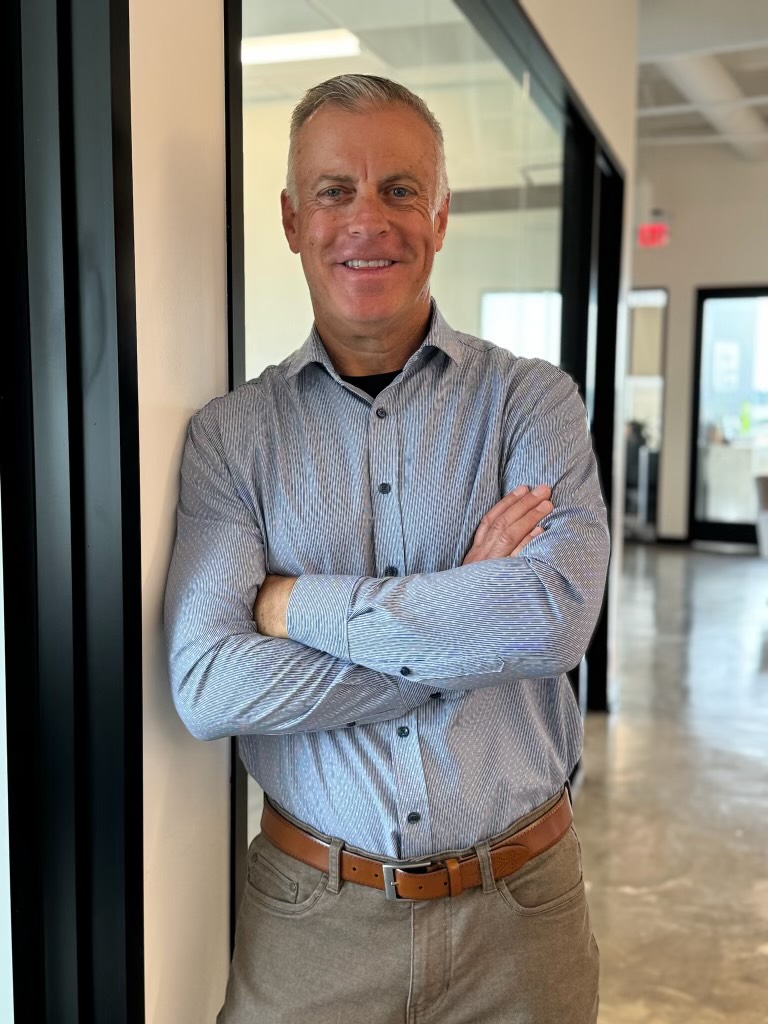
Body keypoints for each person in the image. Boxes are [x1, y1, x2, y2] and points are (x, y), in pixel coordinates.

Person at [165, 74, 609, 1024]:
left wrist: (293, 605)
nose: (368, 218)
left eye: (400, 189)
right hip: (311, 926)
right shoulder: (231, 437)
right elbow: (210, 686)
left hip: (521, 920)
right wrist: (461, 619)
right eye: (335, 190)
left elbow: (548, 621)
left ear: (440, 216)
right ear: (293, 220)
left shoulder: (533, 403)